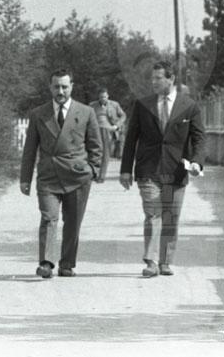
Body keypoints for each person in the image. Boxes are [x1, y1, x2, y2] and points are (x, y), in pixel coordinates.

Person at [119, 61, 205, 277]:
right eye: (152, 78)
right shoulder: (142, 105)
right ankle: (151, 261)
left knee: (170, 217)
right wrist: (126, 169)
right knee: (153, 213)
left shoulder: (189, 106)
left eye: (158, 78)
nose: (154, 82)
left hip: (176, 170)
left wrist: (196, 162)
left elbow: (199, 139)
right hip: (148, 169)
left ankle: (165, 261)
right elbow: (131, 139)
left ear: (171, 79)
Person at [20, 69, 103, 278]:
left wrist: (92, 170)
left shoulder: (86, 112)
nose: (60, 91)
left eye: (64, 87)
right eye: (56, 86)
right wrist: (25, 178)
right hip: (48, 176)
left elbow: (96, 145)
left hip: (77, 176)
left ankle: (67, 264)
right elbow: (30, 149)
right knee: (49, 217)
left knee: (73, 222)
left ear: (71, 87)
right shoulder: (39, 114)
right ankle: (46, 263)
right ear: (50, 87)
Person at [89, 88, 126, 182]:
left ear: (108, 96)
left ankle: (101, 176)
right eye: (101, 97)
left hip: (108, 130)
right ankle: (94, 174)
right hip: (95, 131)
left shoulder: (114, 104)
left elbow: (123, 116)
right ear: (98, 97)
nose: (103, 99)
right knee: (94, 153)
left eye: (105, 97)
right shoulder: (92, 105)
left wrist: (116, 126)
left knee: (105, 154)